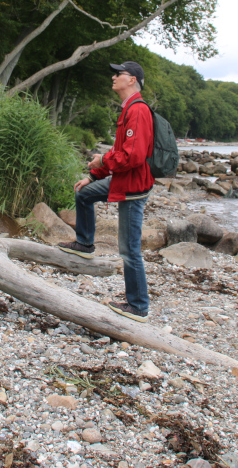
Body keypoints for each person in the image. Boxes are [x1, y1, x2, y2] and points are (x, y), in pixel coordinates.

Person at [58, 61, 155, 322]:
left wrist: (102, 161)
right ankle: (85, 243)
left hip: (133, 187)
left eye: (118, 74)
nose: (113, 77)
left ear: (132, 79)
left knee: (129, 249)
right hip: (123, 180)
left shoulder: (138, 111)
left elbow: (132, 157)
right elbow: (120, 153)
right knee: (83, 193)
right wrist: (94, 175)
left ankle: (138, 306)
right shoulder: (127, 109)